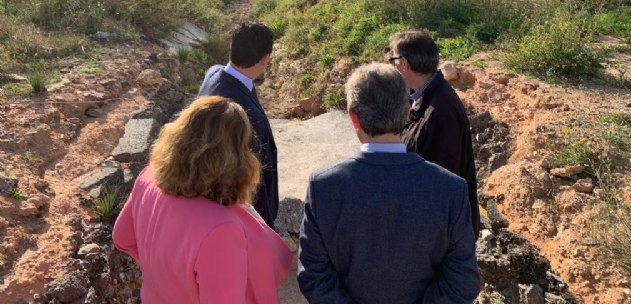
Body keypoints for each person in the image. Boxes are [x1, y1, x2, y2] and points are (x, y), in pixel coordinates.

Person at [297, 63, 481, 304]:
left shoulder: (323, 186)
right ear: (407, 110)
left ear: (353, 117)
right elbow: (463, 280)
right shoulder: (451, 190)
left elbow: (313, 274)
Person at [112, 96, 292, 304]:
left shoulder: (146, 178)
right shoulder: (222, 228)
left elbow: (122, 238)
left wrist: (167, 271)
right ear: (236, 156)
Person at [387, 29, 481, 239]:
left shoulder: (441, 112)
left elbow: (442, 185)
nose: (391, 66)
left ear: (403, 64)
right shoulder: (420, 97)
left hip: (442, 236)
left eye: (391, 60)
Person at [197, 21, 279, 229]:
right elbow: (246, 178)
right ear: (265, 59)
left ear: (232, 46)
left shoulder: (214, 73)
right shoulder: (242, 114)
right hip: (241, 215)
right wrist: (263, 225)